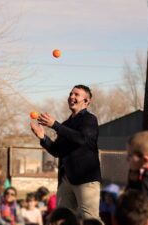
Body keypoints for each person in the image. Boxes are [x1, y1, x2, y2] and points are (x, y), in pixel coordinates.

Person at [30, 84, 101, 220]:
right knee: (62, 219)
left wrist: (55, 125)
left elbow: (82, 139)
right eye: (70, 94)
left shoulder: (90, 119)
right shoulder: (66, 124)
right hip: (66, 179)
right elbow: (57, 151)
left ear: (86, 102)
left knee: (90, 219)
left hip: (86, 179)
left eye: (76, 94)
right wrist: (43, 138)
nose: (71, 97)